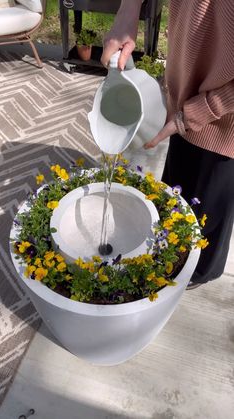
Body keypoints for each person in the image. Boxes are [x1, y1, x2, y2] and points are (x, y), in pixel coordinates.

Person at [101, 0, 234, 288]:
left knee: (204, 236)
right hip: (187, 88)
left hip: (226, 125)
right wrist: (129, 10)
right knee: (175, 201)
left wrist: (198, 113)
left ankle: (194, 277)